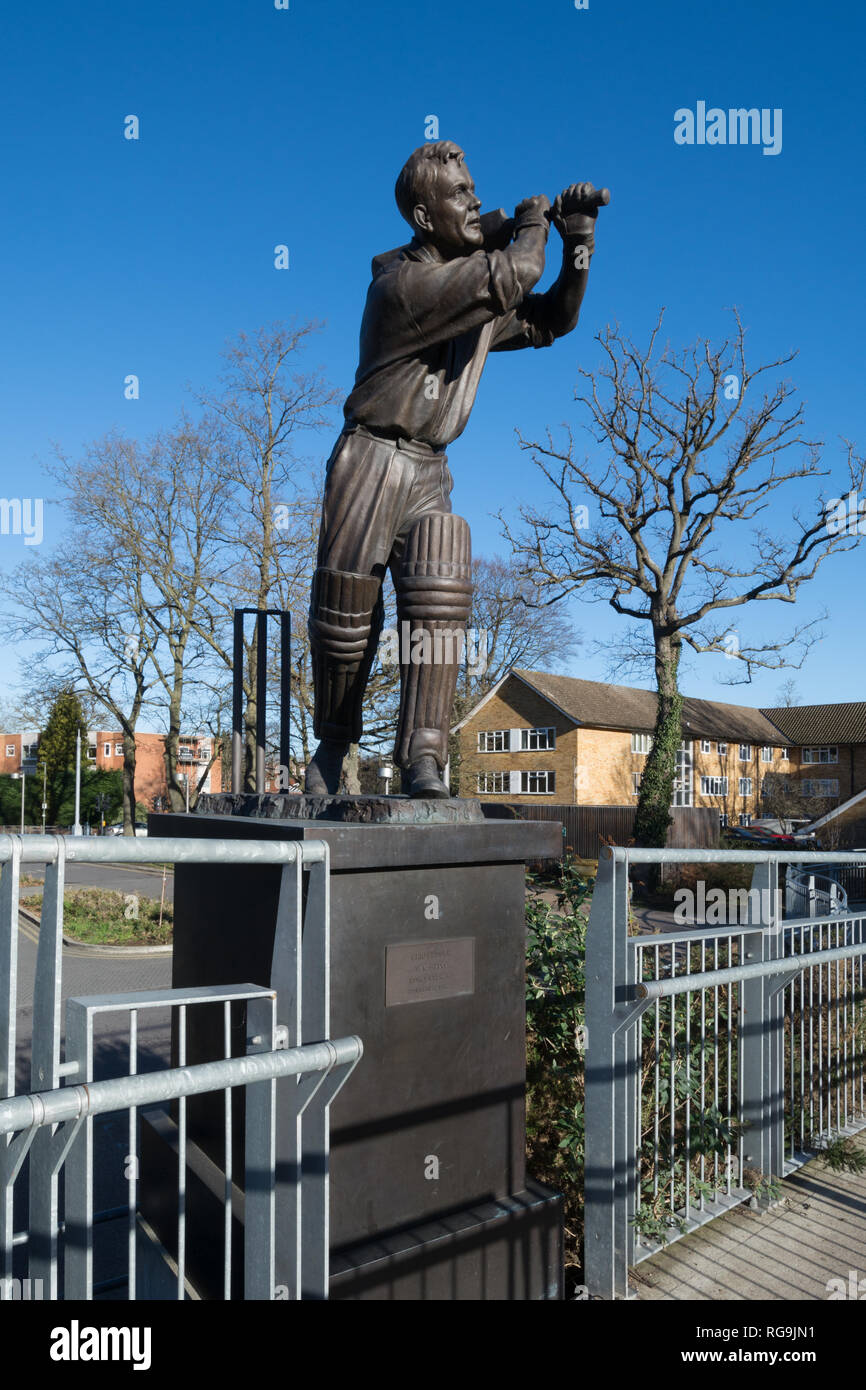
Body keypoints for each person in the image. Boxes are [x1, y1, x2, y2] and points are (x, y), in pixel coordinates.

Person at [306, 140, 601, 798]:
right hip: (370, 456)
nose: (472, 200)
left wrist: (578, 240)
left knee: (440, 591)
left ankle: (424, 754)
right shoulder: (402, 285)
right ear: (422, 214)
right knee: (345, 617)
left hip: (429, 464)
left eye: (474, 190)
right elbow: (515, 273)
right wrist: (530, 220)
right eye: (459, 194)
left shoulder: (471, 296)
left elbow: (554, 316)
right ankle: (334, 743)